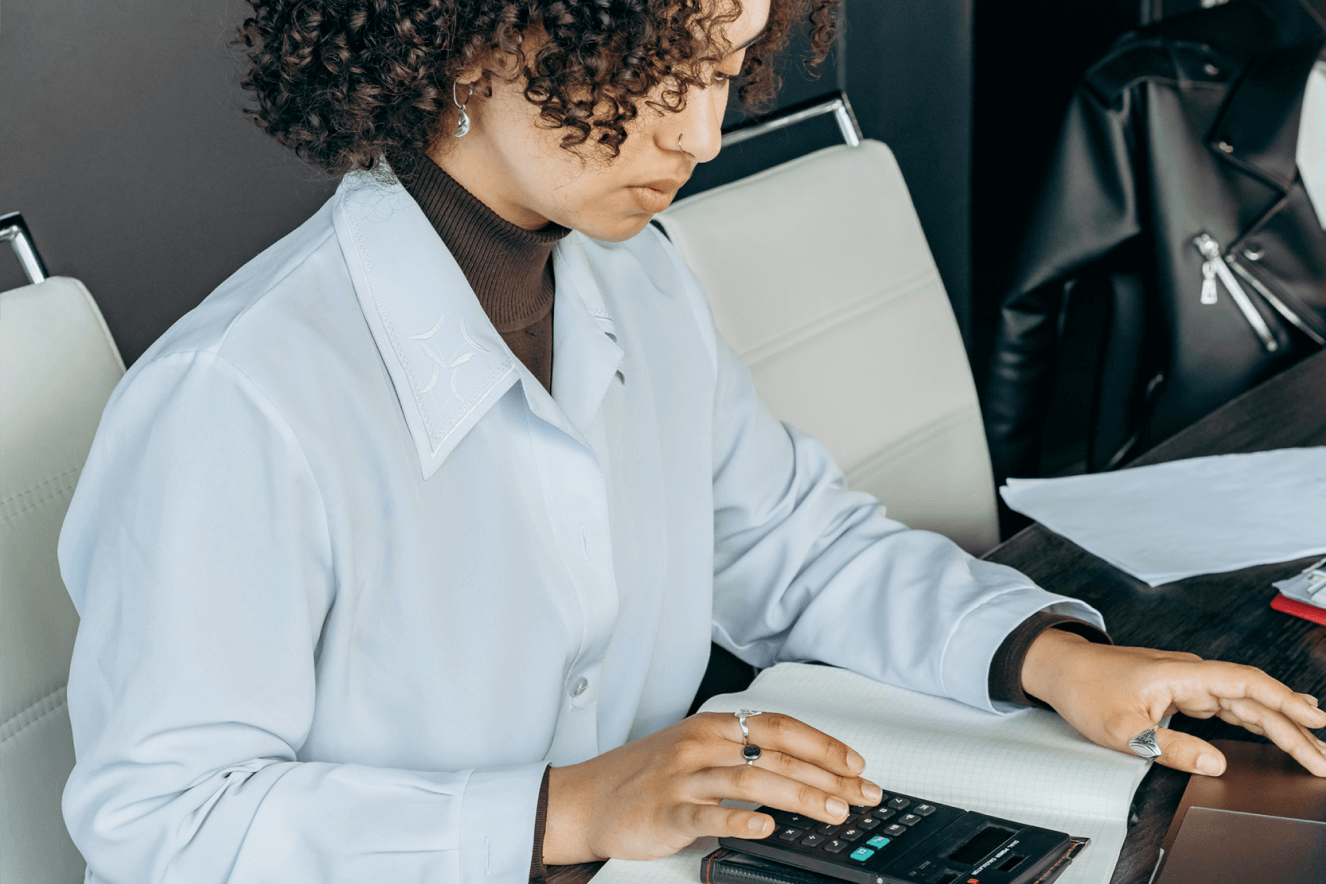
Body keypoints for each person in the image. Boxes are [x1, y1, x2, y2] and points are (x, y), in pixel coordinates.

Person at [58, 1, 1326, 882]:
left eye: (725, 68)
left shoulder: (636, 283)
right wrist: (564, 805)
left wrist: (1045, 657)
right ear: (479, 33)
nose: (702, 134)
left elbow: (793, 544)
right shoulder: (238, 396)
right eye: (658, 71)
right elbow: (161, 826)